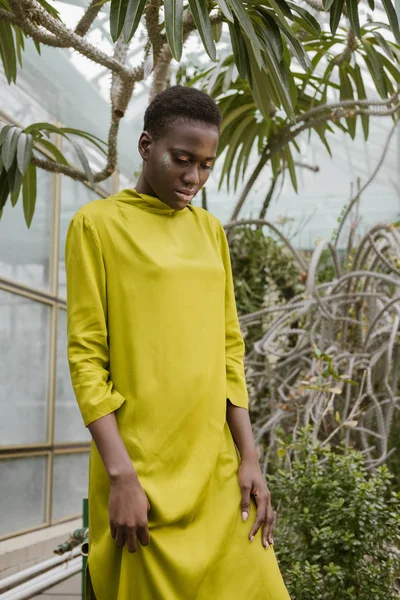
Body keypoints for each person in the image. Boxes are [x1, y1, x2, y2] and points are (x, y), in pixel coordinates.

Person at [65, 85, 291, 600]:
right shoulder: (96, 226)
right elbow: (85, 358)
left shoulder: (210, 231)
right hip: (140, 471)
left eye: (207, 165)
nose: (194, 178)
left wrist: (249, 458)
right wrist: (121, 475)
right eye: (182, 159)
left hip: (215, 470)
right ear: (146, 146)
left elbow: (229, 348)